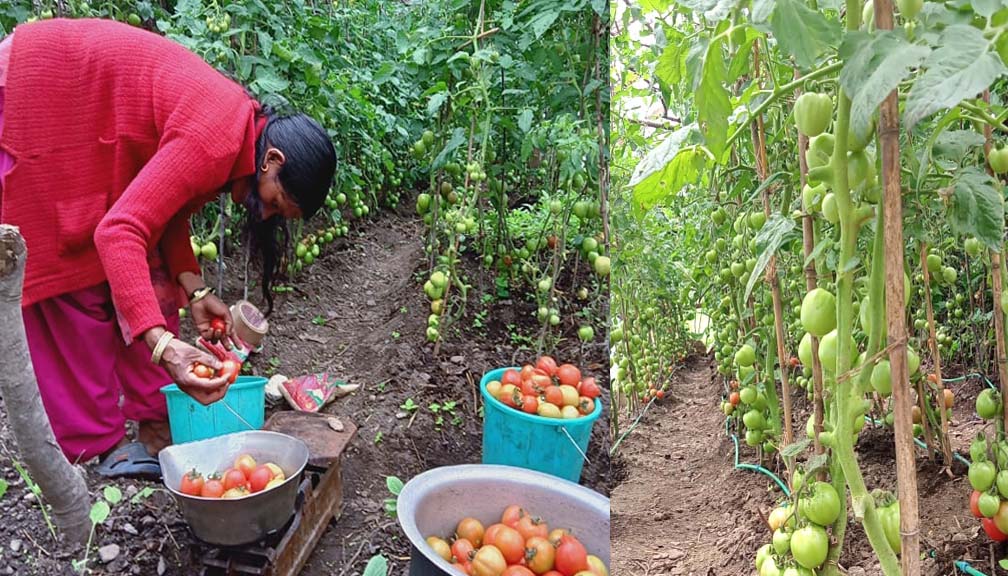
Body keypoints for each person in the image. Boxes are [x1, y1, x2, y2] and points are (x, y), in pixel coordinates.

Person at [0, 18, 336, 478]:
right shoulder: (216, 136)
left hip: (76, 106)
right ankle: (98, 447)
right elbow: (119, 232)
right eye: (278, 203)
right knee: (72, 273)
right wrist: (163, 346)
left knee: (151, 278)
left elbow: (164, 206)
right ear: (272, 161)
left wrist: (194, 290)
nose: (268, 214)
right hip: (40, 96)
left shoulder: (236, 129)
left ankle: (155, 424)